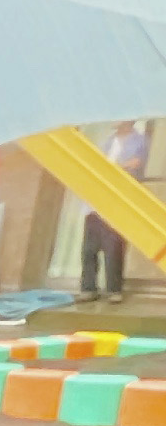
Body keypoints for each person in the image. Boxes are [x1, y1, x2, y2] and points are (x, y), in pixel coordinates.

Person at [81, 119, 150, 304]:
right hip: (96, 201)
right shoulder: (108, 141)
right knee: (89, 248)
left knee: (113, 247)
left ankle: (114, 289)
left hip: (117, 201)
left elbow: (135, 163)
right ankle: (88, 288)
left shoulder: (139, 140)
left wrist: (112, 169)